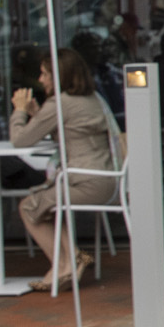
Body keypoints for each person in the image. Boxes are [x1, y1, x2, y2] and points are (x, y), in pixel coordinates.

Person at [9, 48, 117, 294]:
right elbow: (70, 130)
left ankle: (63, 264)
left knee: (28, 206)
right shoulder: (93, 99)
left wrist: (19, 111)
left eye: (45, 74)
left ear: (59, 76)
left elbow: (20, 141)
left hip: (85, 183)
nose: (40, 80)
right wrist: (39, 115)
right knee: (47, 204)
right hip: (106, 180)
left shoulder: (60, 103)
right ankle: (73, 258)